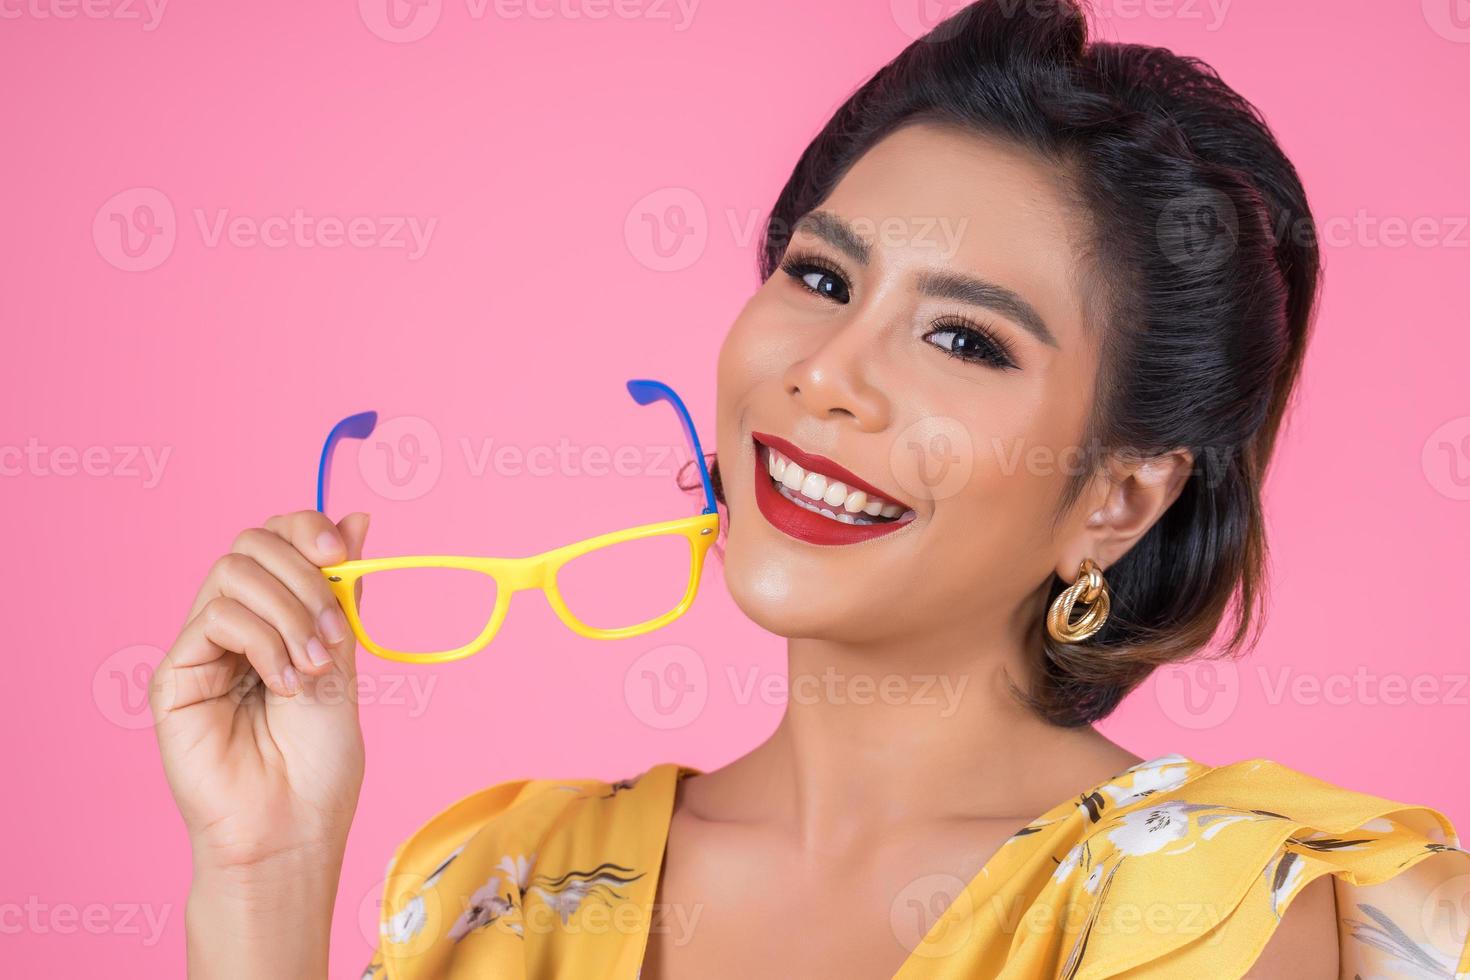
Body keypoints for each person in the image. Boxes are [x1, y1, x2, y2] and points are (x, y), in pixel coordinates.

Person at [151, 1, 1470, 977]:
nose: (829, 376)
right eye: (821, 279)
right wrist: (265, 870)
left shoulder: (1213, 903)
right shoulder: (496, 889)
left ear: (1113, 501)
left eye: (963, 339)